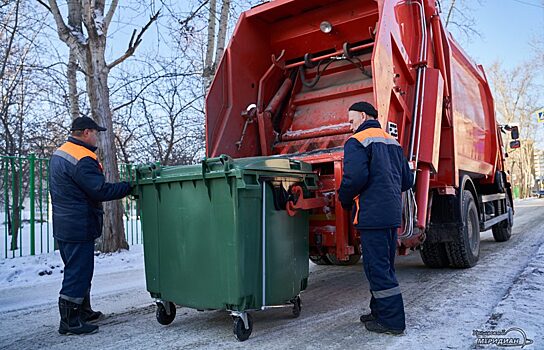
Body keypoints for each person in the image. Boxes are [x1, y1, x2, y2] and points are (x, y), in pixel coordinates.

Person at [49, 116, 132, 335]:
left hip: (65, 223)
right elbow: (100, 190)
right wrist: (129, 187)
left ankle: (83, 311)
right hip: (78, 224)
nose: (97, 137)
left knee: (77, 269)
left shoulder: (61, 152)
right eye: (96, 132)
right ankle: (70, 321)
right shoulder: (82, 157)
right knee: (78, 271)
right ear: (86, 132)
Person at [338, 102, 413, 335]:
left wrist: (345, 198)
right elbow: (407, 181)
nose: (350, 127)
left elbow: (355, 177)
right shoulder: (392, 141)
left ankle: (392, 321)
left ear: (362, 116)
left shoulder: (356, 142)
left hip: (372, 215)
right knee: (382, 266)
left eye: (351, 121)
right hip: (390, 214)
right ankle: (379, 311)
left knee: (377, 268)